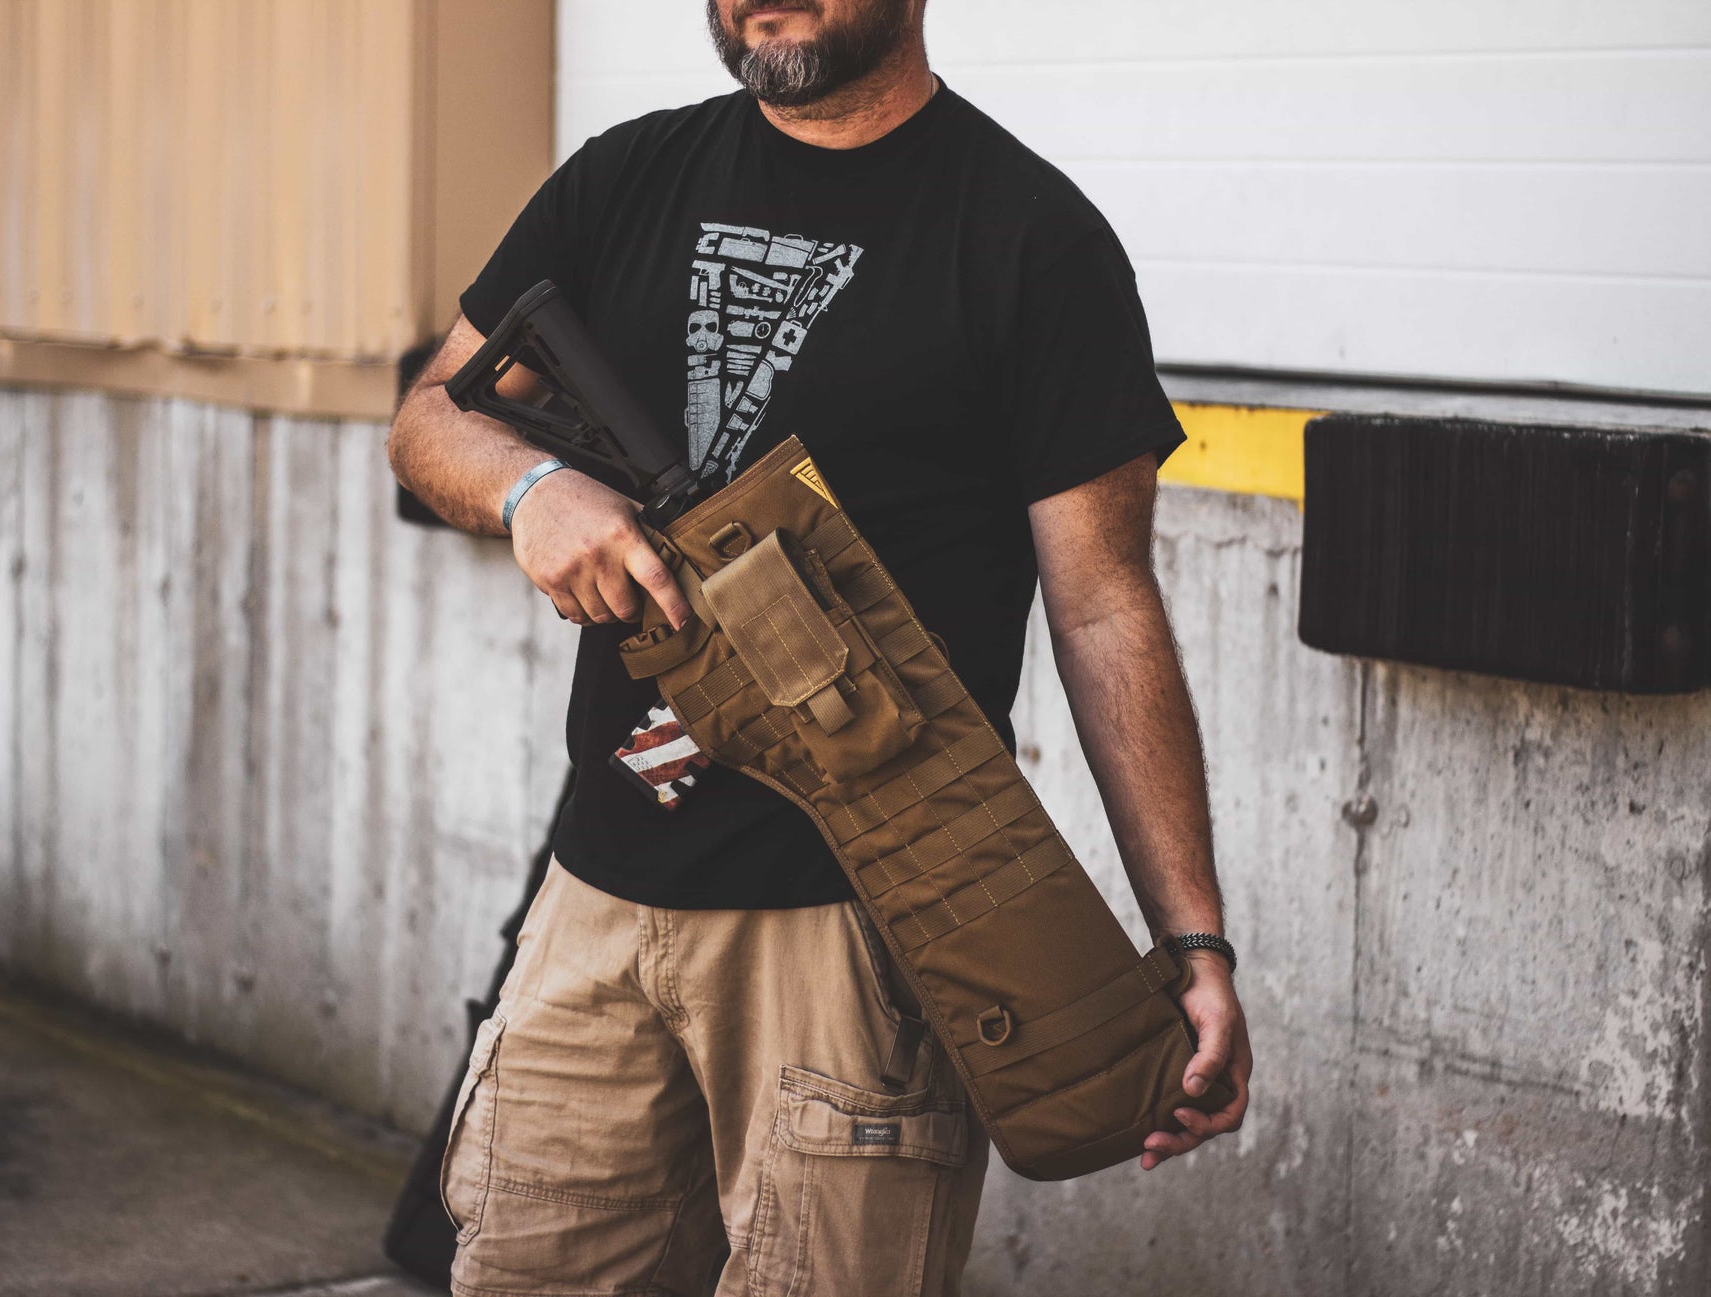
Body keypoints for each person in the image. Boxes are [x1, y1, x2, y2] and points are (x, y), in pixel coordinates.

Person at [386, 2, 1253, 1292]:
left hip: (867, 916)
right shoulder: (629, 175)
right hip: (599, 892)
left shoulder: (1032, 239)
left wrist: (1192, 942)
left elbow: (1104, 608)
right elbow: (433, 419)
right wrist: (533, 492)